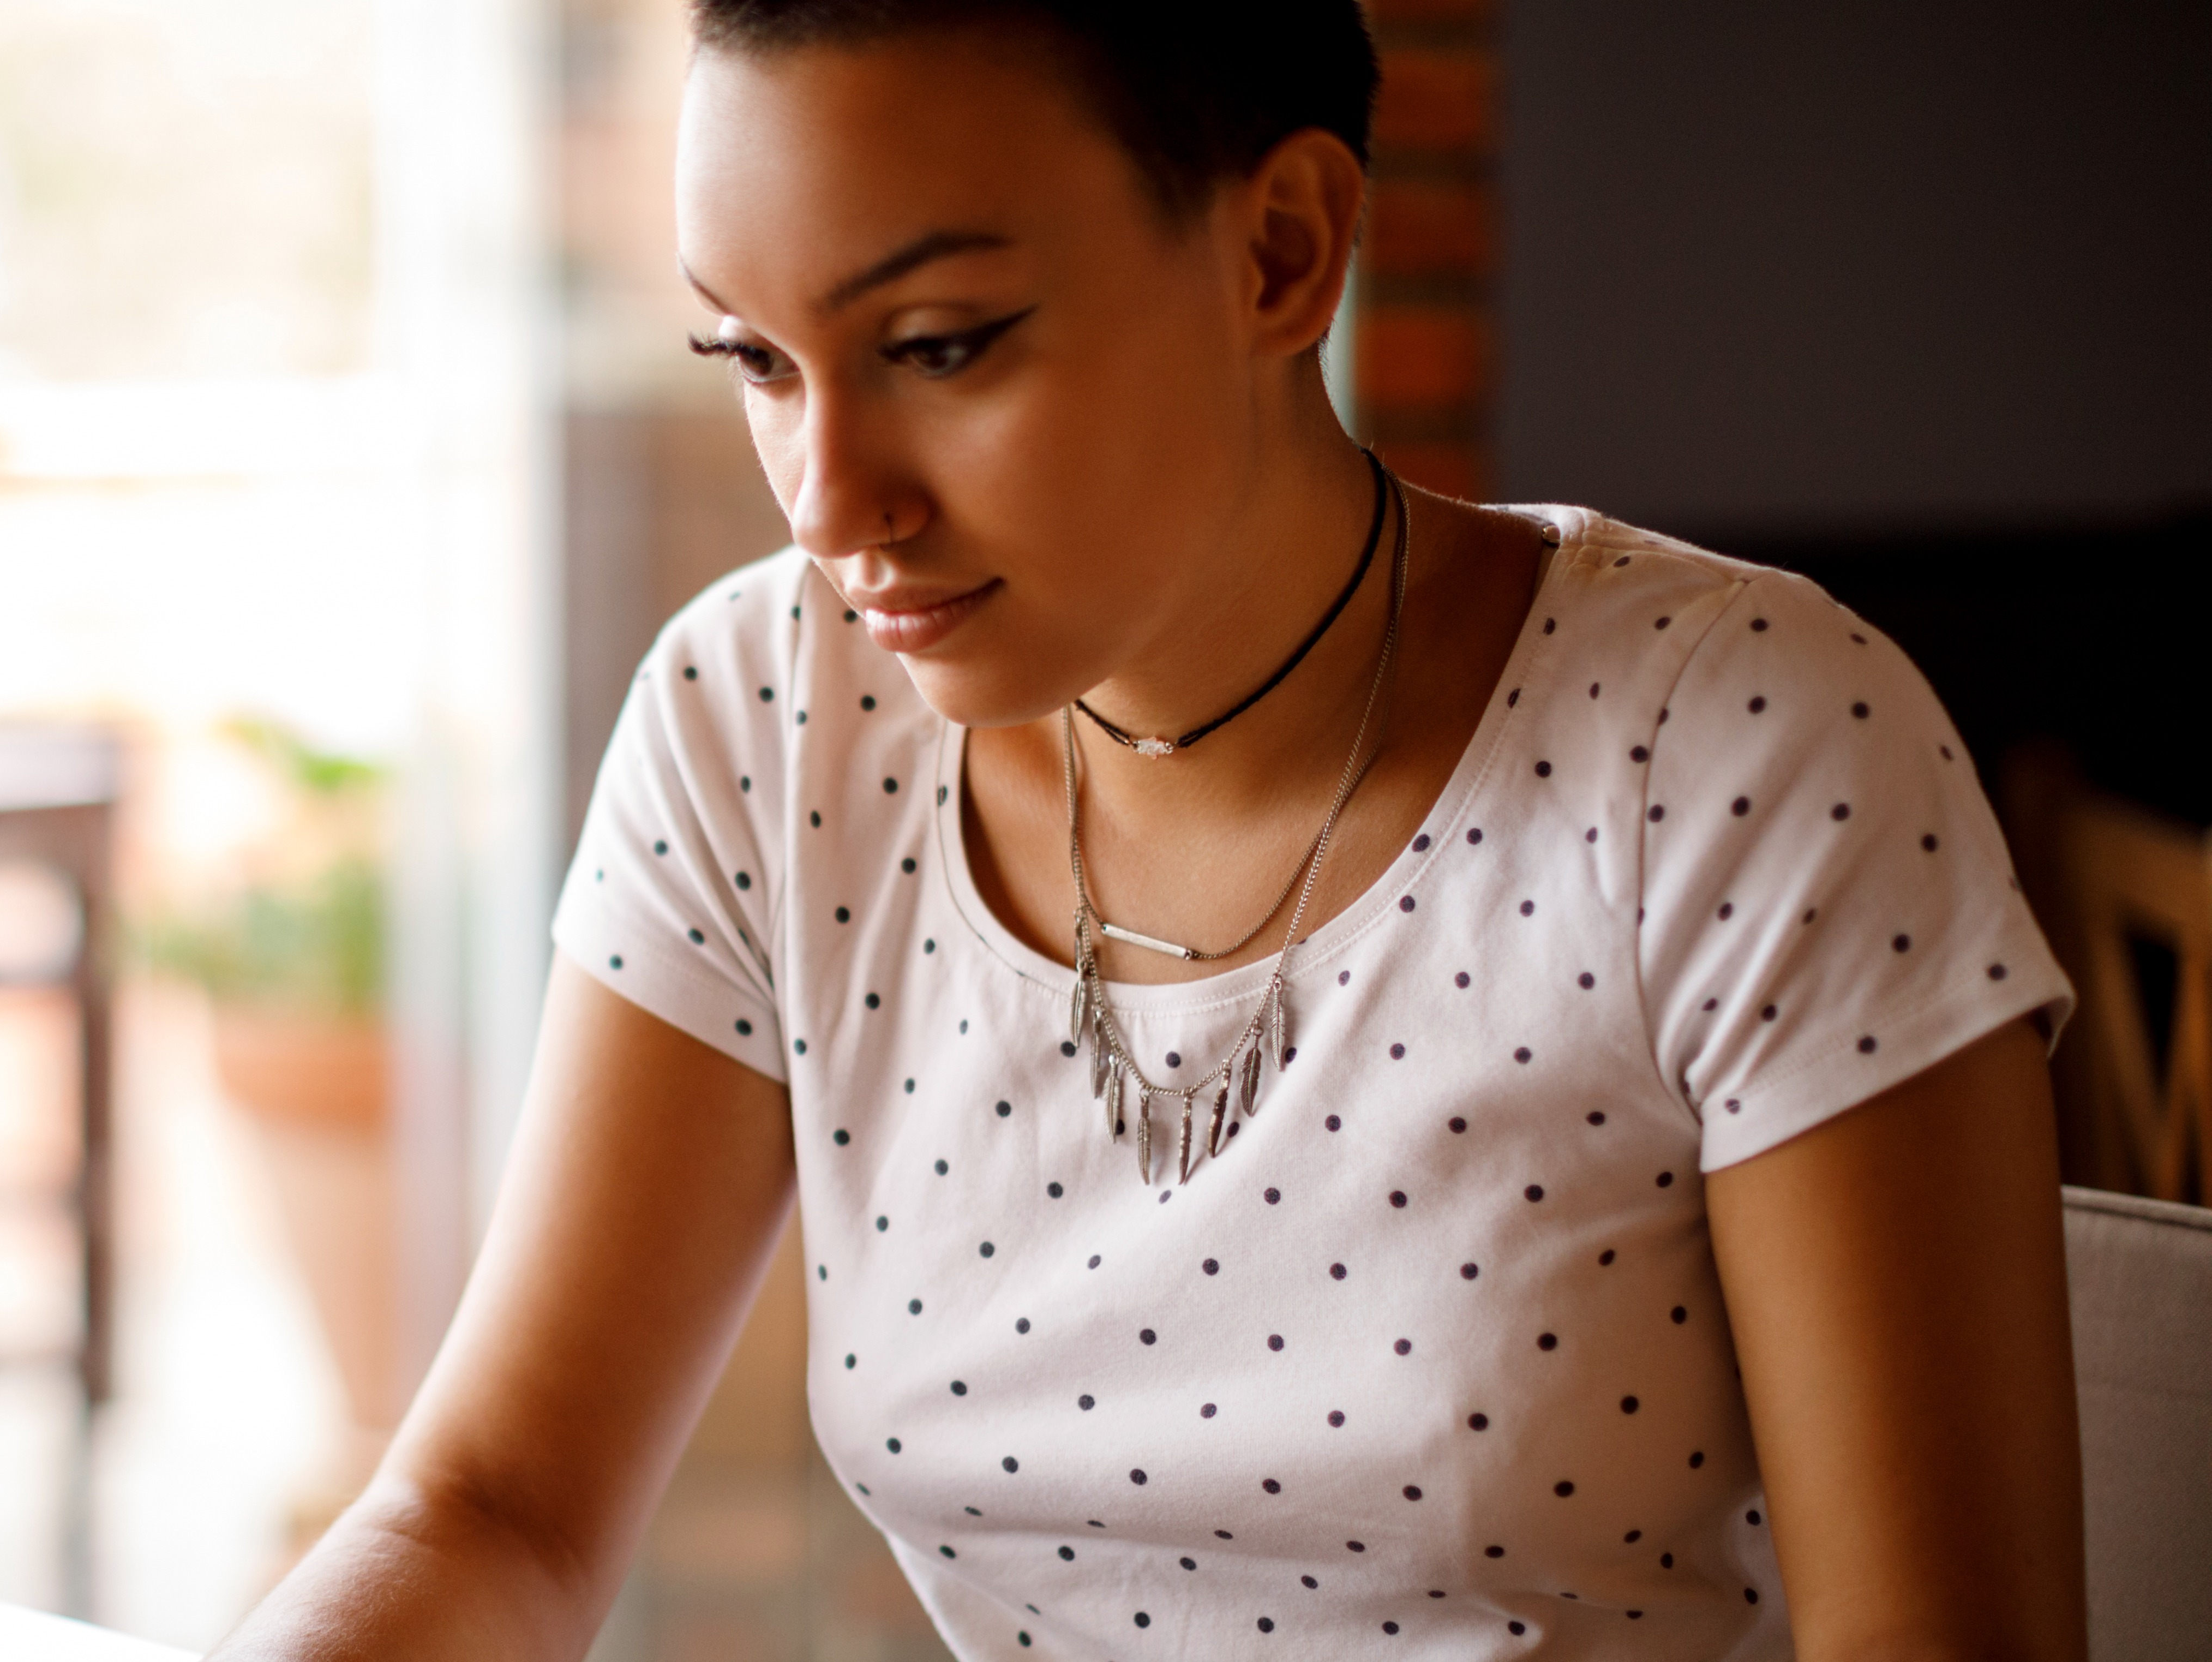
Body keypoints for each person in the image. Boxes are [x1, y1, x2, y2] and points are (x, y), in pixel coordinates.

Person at [211, 3, 2089, 1657]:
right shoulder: (762, 722)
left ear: (1281, 251)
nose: (829, 502)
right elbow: (495, 1516)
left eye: (940, 345)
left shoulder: (1741, 750)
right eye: (757, 363)